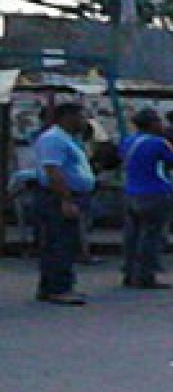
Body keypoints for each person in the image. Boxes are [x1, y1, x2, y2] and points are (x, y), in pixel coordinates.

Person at [32, 104, 96, 306]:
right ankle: (58, 289)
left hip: (68, 195)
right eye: (81, 116)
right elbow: (53, 172)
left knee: (62, 241)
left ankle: (52, 286)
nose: (84, 121)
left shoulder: (68, 139)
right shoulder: (54, 139)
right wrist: (66, 200)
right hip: (57, 197)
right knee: (60, 242)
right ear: (67, 117)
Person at [118, 109, 173, 290]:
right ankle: (146, 275)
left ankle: (129, 272)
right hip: (154, 192)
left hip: (131, 192)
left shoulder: (127, 141)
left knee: (132, 235)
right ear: (152, 124)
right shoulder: (158, 143)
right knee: (152, 236)